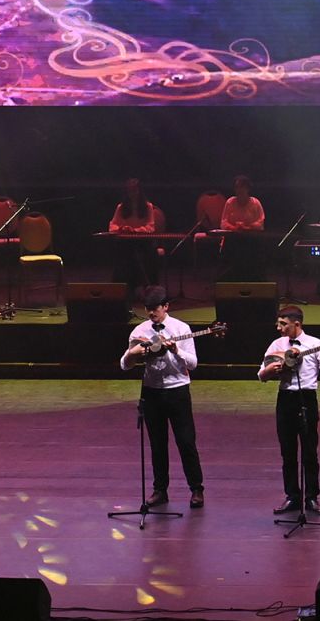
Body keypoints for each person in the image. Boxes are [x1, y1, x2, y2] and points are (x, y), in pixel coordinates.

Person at [120, 287, 205, 509]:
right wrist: (132, 354)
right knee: (157, 444)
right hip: (152, 391)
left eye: (155, 309)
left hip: (177, 391)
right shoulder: (140, 331)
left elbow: (193, 364)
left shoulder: (181, 328)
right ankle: (160, 490)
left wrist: (176, 350)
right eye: (147, 309)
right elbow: (124, 365)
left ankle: (196, 488)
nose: (151, 313)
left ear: (166, 306)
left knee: (186, 441)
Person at [258, 305, 320, 516]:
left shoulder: (316, 344)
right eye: (278, 323)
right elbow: (261, 375)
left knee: (310, 451)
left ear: (297, 324)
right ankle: (292, 496)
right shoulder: (276, 345)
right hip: (286, 398)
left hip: (307, 398)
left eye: (283, 324)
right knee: (288, 451)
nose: (279, 328)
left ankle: (311, 497)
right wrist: (269, 370)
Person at [109, 178, 161, 299]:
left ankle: (144, 287)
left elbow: (151, 226)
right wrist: (122, 228)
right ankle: (124, 289)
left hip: (143, 242)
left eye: (135, 190)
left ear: (139, 191)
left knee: (141, 254)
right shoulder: (121, 207)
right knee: (124, 253)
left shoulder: (148, 206)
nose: (132, 193)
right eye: (130, 191)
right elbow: (112, 225)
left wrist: (135, 230)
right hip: (125, 242)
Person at [218, 175, 266, 280]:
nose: (238, 190)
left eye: (241, 187)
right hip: (233, 239)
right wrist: (234, 228)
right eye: (236, 187)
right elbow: (223, 222)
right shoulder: (230, 202)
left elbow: (260, 223)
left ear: (247, 189)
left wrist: (248, 227)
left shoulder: (255, 203)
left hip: (251, 239)